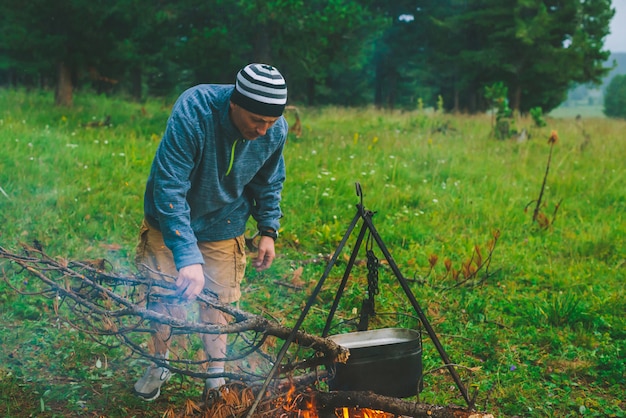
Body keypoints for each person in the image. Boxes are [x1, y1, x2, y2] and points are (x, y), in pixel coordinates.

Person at [133, 63, 288, 401]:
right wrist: (187, 255)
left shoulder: (274, 131)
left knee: (219, 301)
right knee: (162, 295)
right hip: (170, 215)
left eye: (271, 123)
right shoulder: (194, 111)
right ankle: (160, 363)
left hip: (225, 221)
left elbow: (269, 180)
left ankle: (215, 379)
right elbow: (170, 185)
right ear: (235, 103)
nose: (263, 131)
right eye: (257, 121)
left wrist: (268, 229)